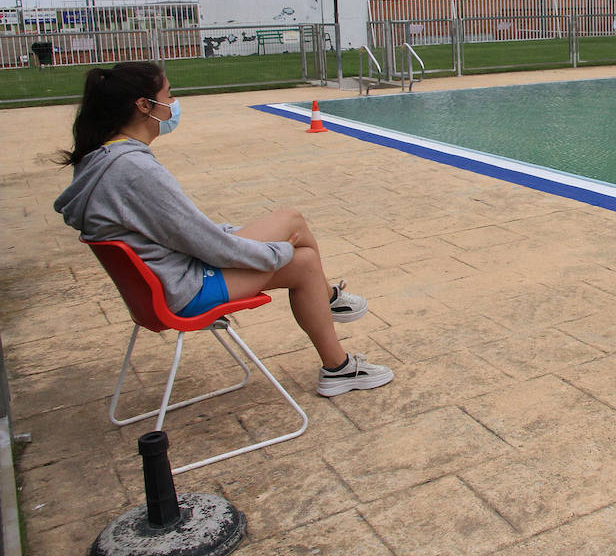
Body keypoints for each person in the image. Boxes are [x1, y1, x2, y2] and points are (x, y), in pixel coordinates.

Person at [54, 61, 393, 397]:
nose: (173, 106)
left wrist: (236, 236)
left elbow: (180, 230)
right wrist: (278, 252)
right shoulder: (134, 169)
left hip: (161, 275)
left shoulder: (101, 159)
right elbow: (203, 243)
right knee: (302, 263)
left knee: (291, 218)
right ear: (144, 105)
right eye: (168, 96)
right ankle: (338, 364)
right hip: (182, 288)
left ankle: (328, 297)